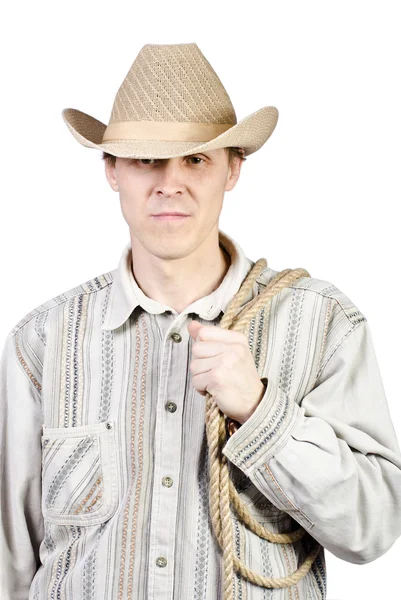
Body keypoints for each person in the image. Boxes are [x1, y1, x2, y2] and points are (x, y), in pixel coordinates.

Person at [1, 42, 400, 600]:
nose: (170, 183)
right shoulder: (41, 343)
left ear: (233, 168)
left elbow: (374, 529)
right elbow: (11, 564)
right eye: (145, 159)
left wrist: (261, 410)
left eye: (196, 159)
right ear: (111, 170)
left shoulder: (324, 325)